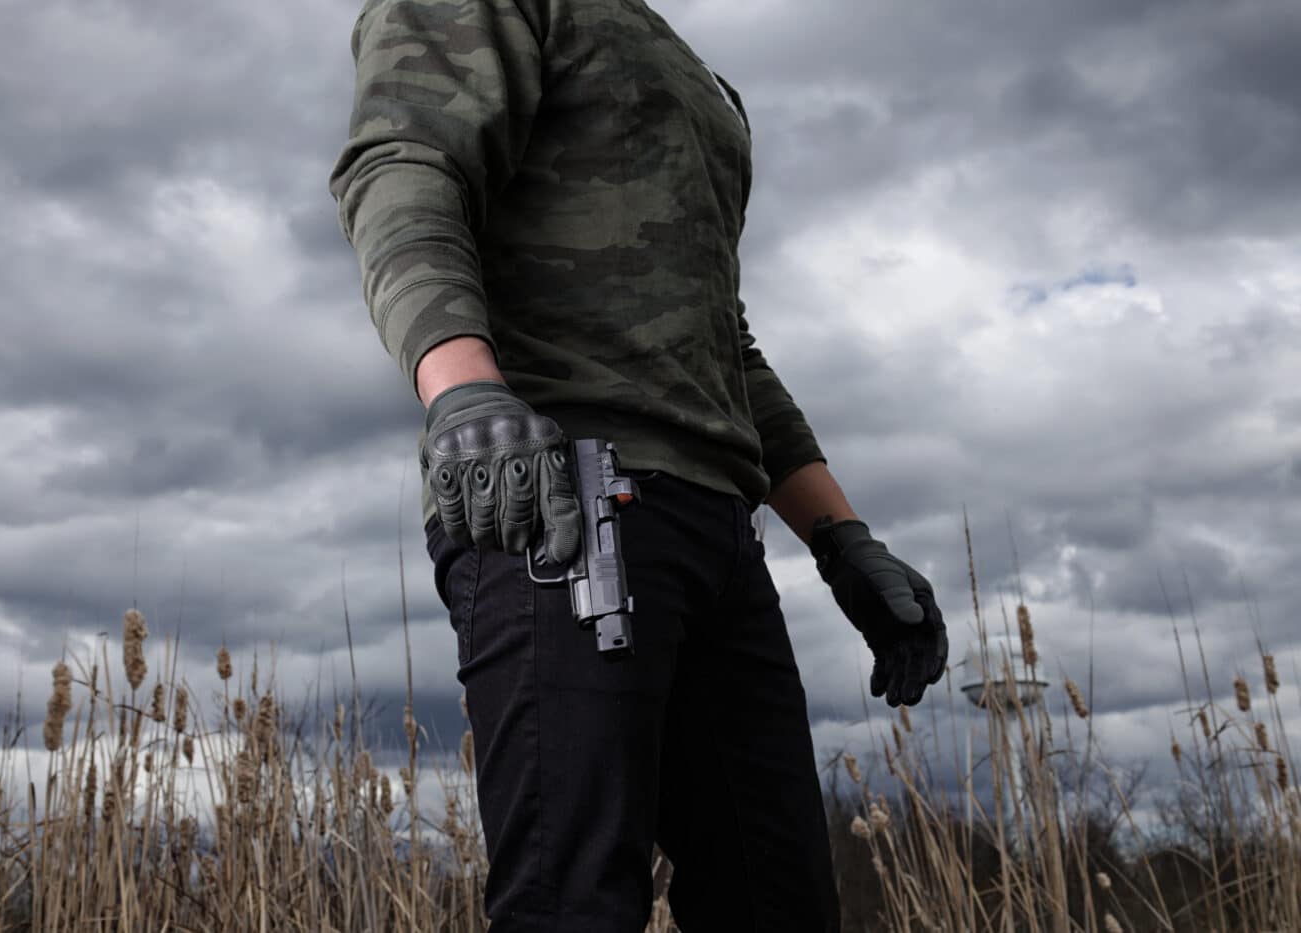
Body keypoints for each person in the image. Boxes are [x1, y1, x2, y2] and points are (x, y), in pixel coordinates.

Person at [329, 0, 949, 929]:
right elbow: (405, 168)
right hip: (556, 499)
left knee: (779, 902)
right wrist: (462, 387)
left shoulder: (696, 76)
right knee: (573, 902)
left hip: (717, 533)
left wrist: (841, 536)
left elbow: (720, 342)